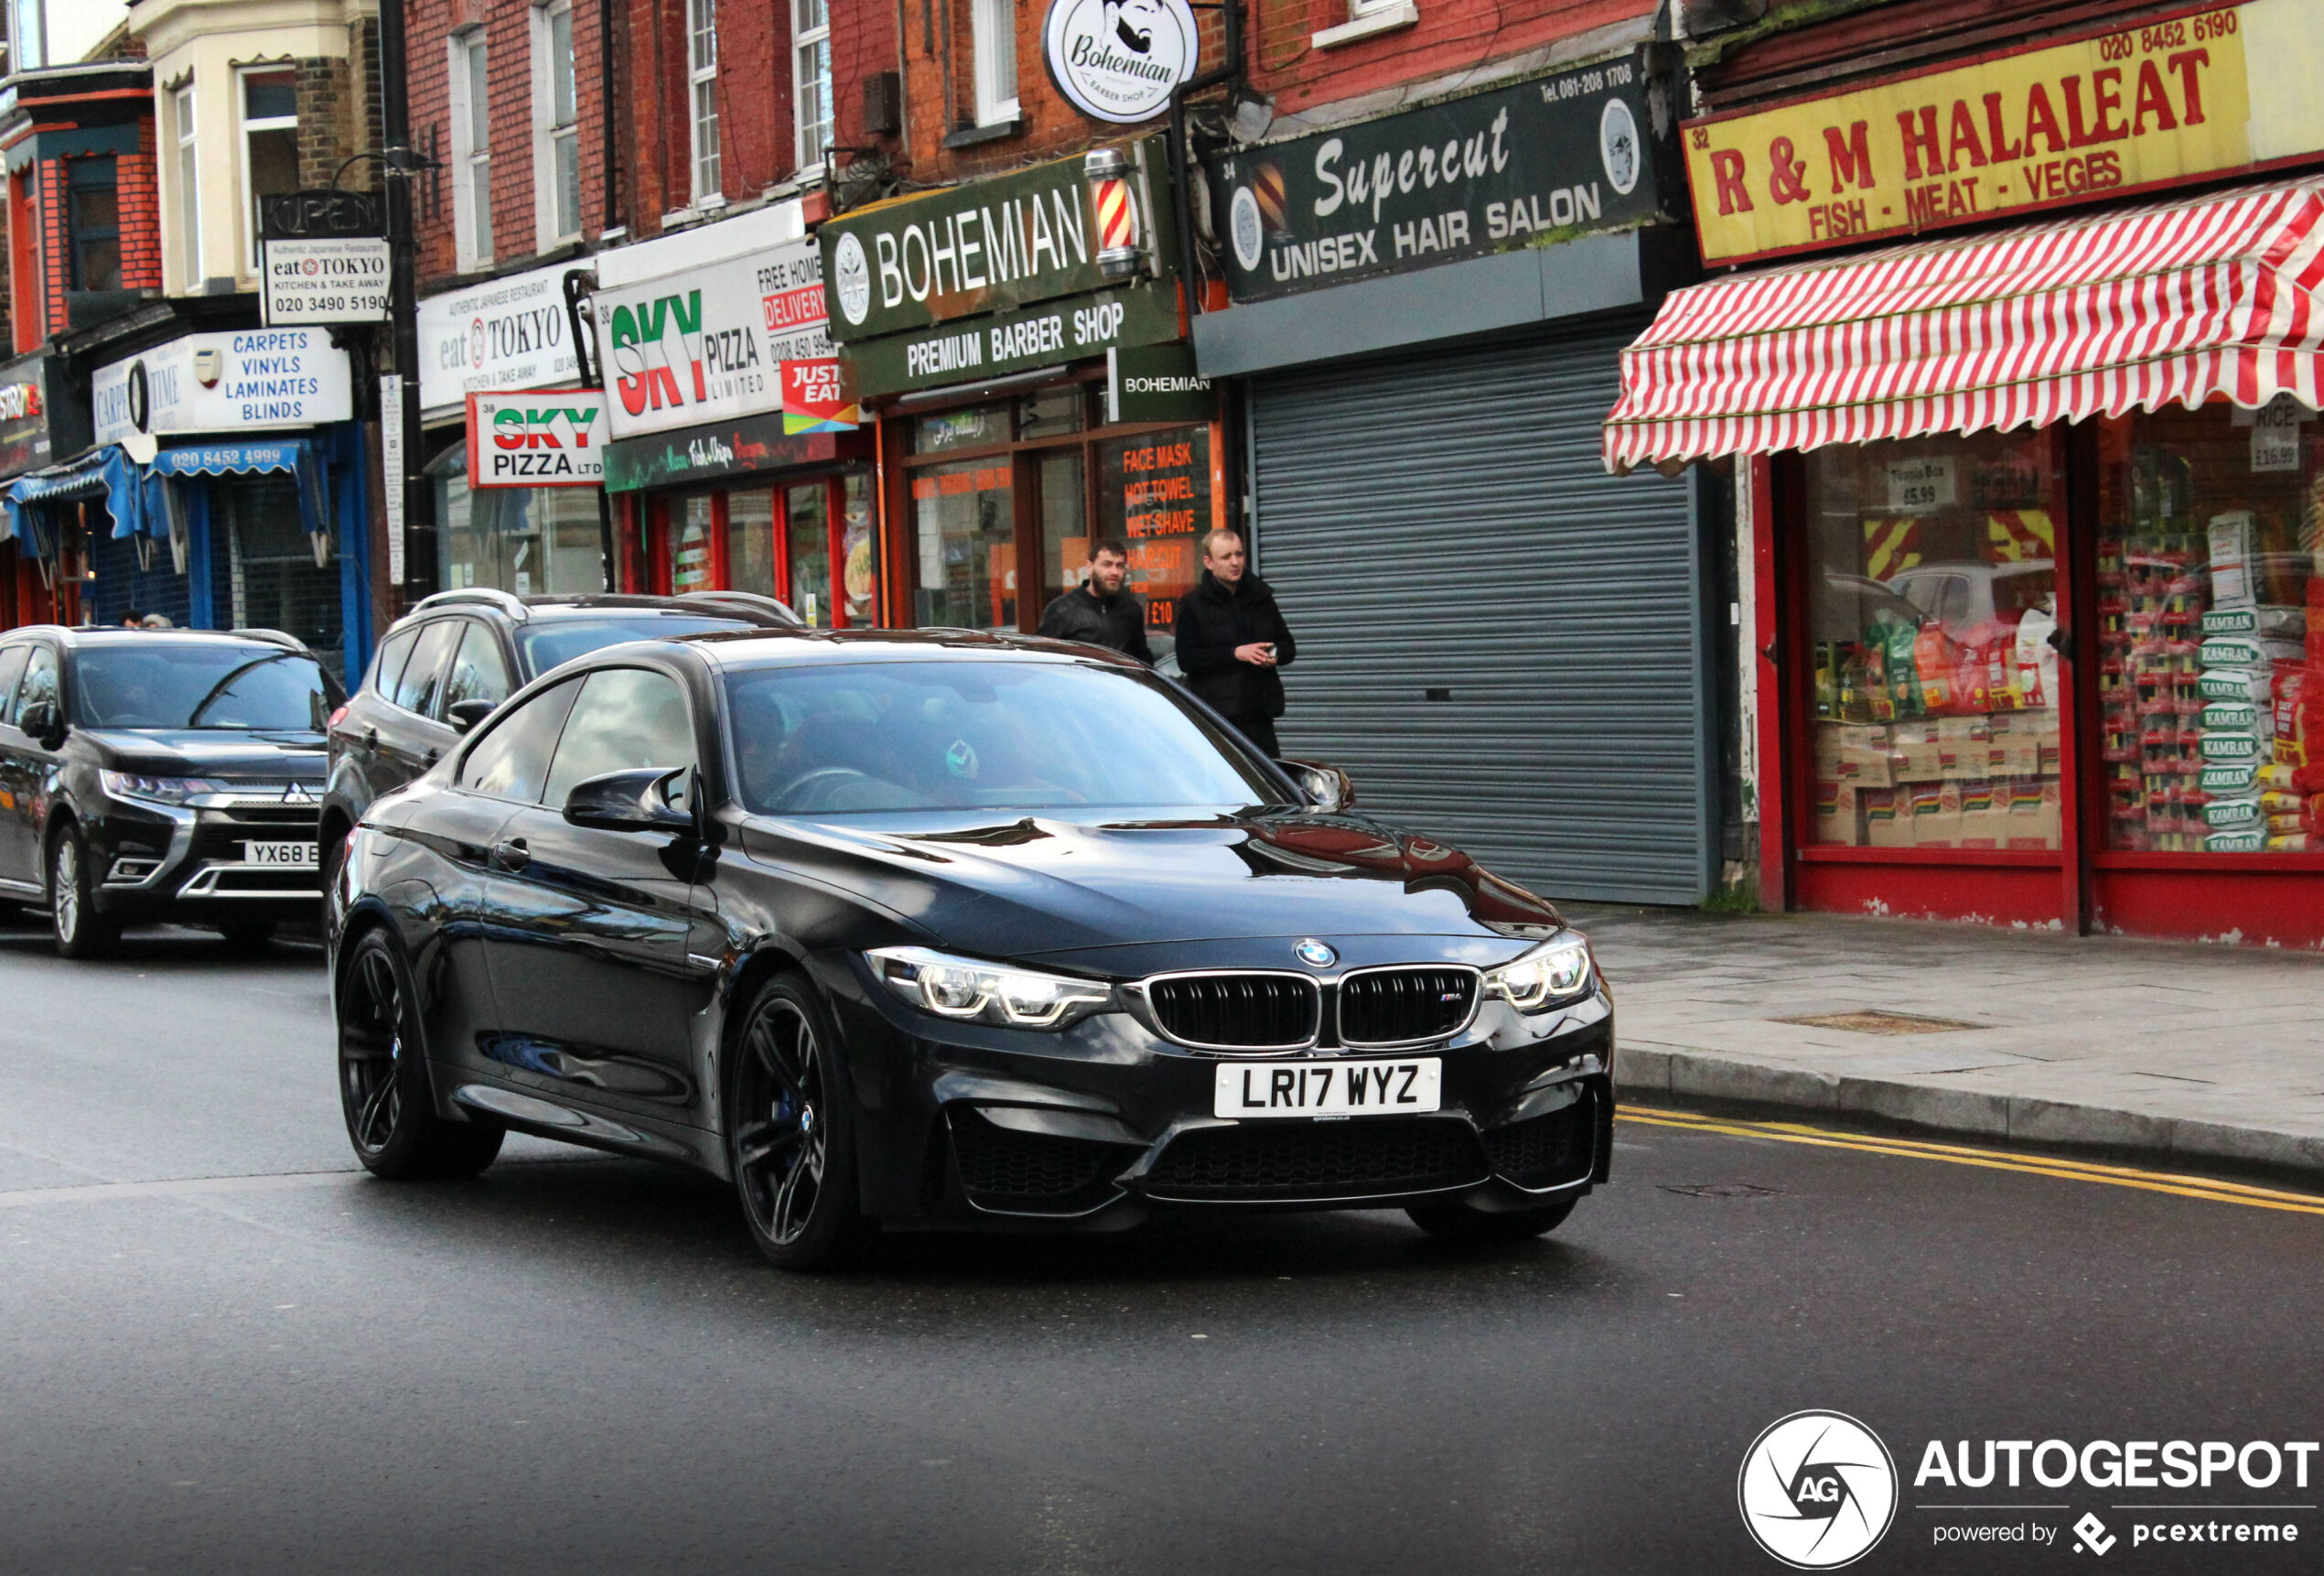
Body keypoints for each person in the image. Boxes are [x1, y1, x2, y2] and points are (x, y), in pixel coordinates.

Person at [1172, 526, 1296, 758]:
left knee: (1269, 785)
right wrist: (1235, 653)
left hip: (1259, 714)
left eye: (1239, 554)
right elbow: (1187, 659)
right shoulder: (1193, 605)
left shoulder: (1261, 596)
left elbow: (1288, 646)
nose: (1235, 562)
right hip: (1217, 718)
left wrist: (1273, 654)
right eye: (1226, 557)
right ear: (1209, 562)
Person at [1037, 537, 1152, 661]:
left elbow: (1143, 660)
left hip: (1119, 679)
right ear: (1090, 567)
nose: (1115, 572)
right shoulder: (1062, 609)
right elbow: (1044, 659)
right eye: (1107, 564)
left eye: (1120, 566)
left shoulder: (1131, 610)